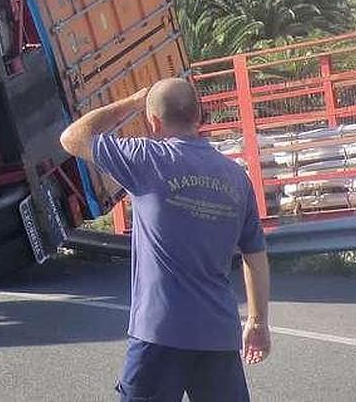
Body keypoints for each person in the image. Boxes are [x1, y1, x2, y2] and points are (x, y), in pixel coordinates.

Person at [60, 79, 270, 402]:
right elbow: (254, 255)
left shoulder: (146, 160)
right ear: (198, 115)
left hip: (159, 332)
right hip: (217, 333)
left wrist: (131, 101)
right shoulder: (236, 178)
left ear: (154, 122)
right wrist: (257, 322)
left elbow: (72, 137)